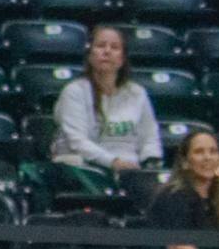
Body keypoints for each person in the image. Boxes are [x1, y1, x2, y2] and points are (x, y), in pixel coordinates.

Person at [51, 24, 162, 172]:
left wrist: (150, 163)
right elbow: (77, 141)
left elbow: (149, 136)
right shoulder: (74, 91)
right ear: (90, 55)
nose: (107, 51)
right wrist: (113, 162)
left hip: (132, 169)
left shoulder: (137, 93)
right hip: (88, 169)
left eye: (114, 47)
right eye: (101, 45)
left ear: (122, 59)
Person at [149, 127, 219, 249]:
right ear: (185, 162)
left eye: (213, 152)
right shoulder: (173, 195)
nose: (207, 157)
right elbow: (177, 248)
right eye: (199, 152)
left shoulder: (218, 198)